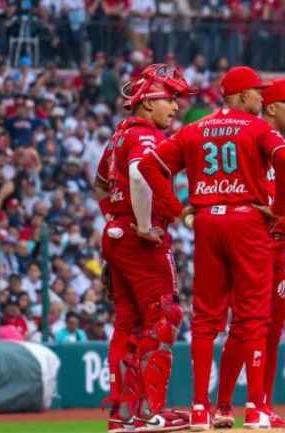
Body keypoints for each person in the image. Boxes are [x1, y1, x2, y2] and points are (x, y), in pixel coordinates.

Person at [138, 66, 285, 431]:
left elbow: (150, 165)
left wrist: (177, 210)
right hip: (246, 220)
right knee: (255, 315)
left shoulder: (194, 129)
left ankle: (198, 409)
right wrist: (278, 208)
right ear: (242, 96)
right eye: (257, 92)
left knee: (207, 319)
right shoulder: (257, 127)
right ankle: (255, 408)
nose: (261, 97)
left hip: (207, 221)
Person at [96, 63, 195, 433]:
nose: (175, 108)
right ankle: (150, 413)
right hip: (142, 239)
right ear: (149, 101)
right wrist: (140, 223)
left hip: (117, 237)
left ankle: (122, 415)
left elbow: (101, 186)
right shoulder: (146, 136)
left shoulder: (118, 135)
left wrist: (114, 223)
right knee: (165, 317)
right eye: (170, 99)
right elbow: (140, 173)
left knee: (127, 326)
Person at [214, 78, 285, 429]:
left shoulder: (279, 143)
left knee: (270, 329)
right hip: (251, 241)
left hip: (280, 244)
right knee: (244, 325)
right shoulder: (248, 136)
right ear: (271, 107)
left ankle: (262, 405)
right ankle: (224, 405)